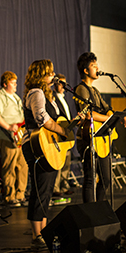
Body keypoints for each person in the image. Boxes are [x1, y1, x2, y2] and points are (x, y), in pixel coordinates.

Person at [21, 60, 69, 249]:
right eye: (50, 73)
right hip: (36, 146)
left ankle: (43, 230)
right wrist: (62, 131)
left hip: (47, 145)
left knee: (46, 189)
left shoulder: (48, 95)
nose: (53, 75)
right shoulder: (36, 93)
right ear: (41, 75)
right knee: (40, 188)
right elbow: (42, 118)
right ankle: (36, 233)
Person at [75, 52, 126, 203]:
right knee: (90, 179)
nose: (97, 68)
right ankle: (91, 212)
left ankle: (98, 208)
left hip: (101, 140)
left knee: (106, 179)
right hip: (88, 138)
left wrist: (116, 115)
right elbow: (88, 114)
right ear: (85, 70)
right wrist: (110, 118)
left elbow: (107, 108)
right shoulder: (81, 89)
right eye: (93, 66)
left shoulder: (95, 91)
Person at [0, 71, 28, 207]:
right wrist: (8, 127)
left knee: (22, 165)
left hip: (20, 136)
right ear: (5, 84)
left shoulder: (16, 97)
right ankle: (10, 196)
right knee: (9, 166)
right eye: (13, 82)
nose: (16, 85)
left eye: (16, 82)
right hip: (7, 137)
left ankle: (20, 194)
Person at [53, 73, 74, 201]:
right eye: (60, 83)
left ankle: (64, 185)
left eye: (64, 83)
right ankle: (56, 188)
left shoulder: (64, 98)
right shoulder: (54, 98)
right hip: (59, 133)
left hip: (67, 132)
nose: (62, 86)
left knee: (67, 161)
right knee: (60, 162)